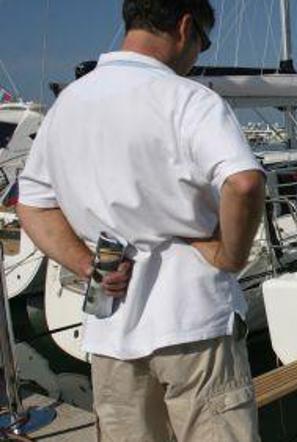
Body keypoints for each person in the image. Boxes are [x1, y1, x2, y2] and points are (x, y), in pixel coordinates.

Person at [16, 0, 264, 440]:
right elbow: (244, 183)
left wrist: (86, 265)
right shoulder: (188, 99)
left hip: (111, 323)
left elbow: (32, 204)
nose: (198, 55)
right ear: (185, 27)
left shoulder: (69, 103)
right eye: (203, 42)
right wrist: (229, 256)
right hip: (193, 317)